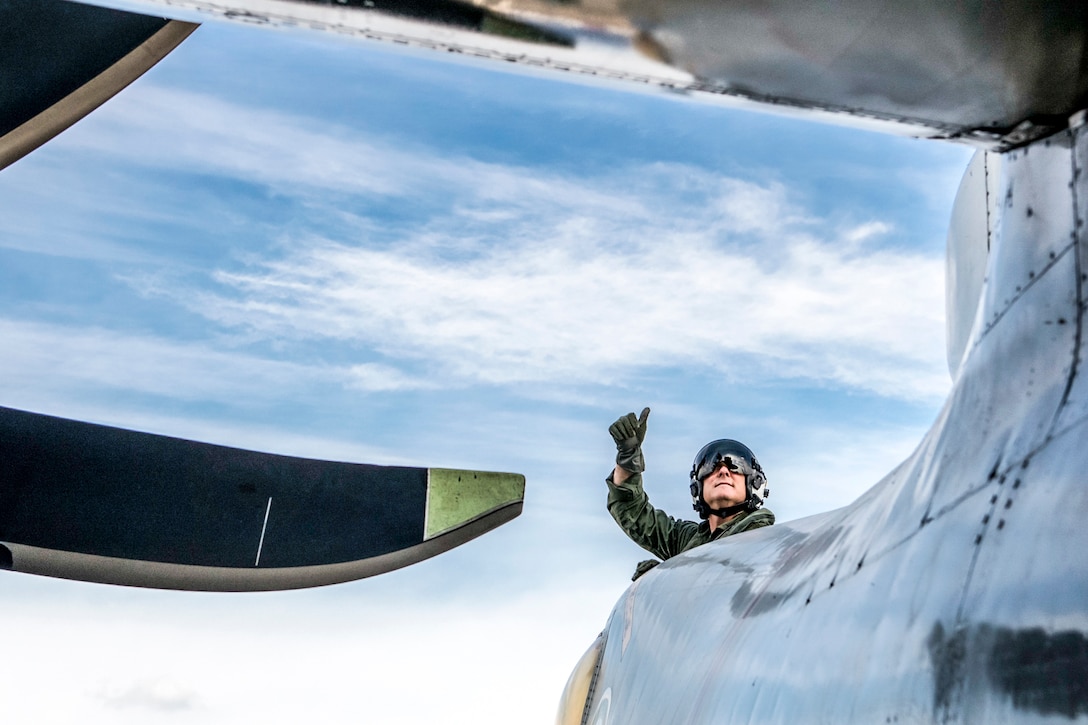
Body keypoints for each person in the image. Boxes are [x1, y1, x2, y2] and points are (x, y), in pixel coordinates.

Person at [606, 407, 775, 579]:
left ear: (754, 482)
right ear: (697, 487)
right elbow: (633, 512)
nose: (723, 472)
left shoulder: (767, 542)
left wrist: (670, 576)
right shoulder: (690, 541)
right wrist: (628, 456)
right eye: (710, 466)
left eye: (736, 465)